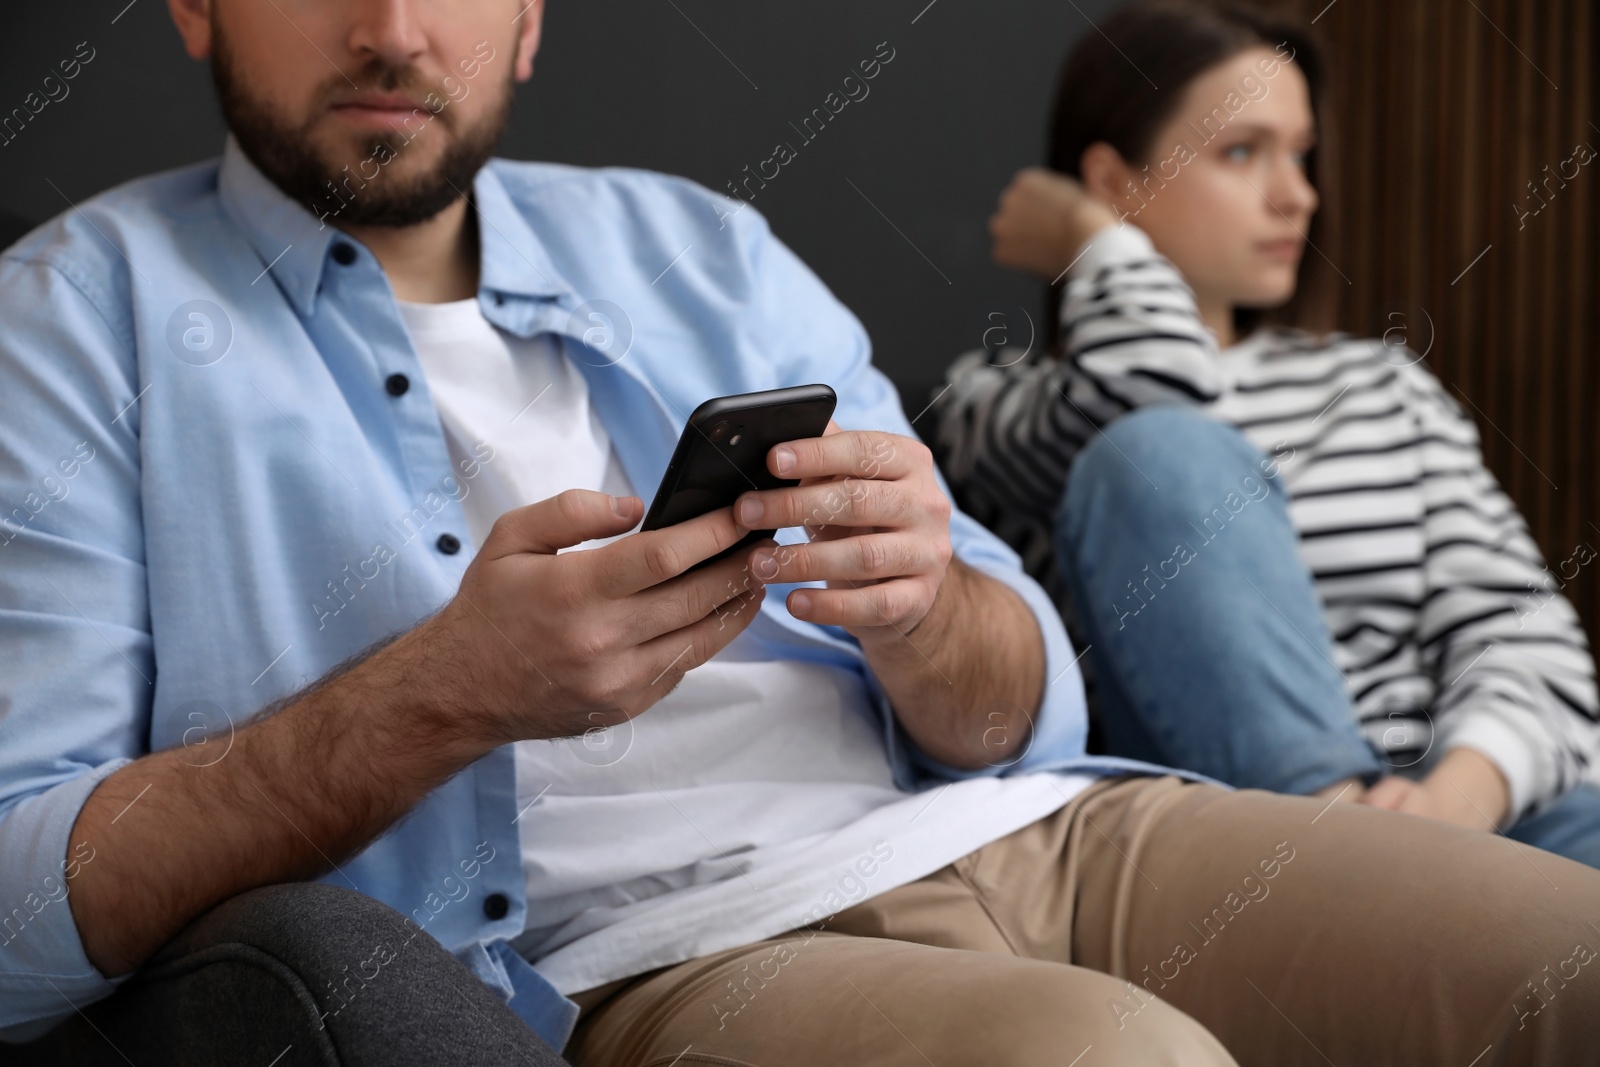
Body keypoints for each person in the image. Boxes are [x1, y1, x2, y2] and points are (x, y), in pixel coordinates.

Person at [1, 0, 1596, 1064]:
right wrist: (447, 689)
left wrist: (926, 614)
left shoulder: (704, 244)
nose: (397, 27)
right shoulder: (75, 325)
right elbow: (17, 914)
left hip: (1035, 830)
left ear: (532, 17)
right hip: (664, 957)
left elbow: (1022, 689)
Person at [932, 0, 1600, 869]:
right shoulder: (994, 406)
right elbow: (1155, 386)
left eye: (1302, 154)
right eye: (1242, 151)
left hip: (1457, 809)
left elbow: (1528, 638)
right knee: (1161, 455)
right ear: (1110, 180)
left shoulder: (1380, 385)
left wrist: (1450, 809)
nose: (1299, 195)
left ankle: (1382, 872)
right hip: (1235, 848)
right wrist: (1095, 243)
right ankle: (1350, 867)